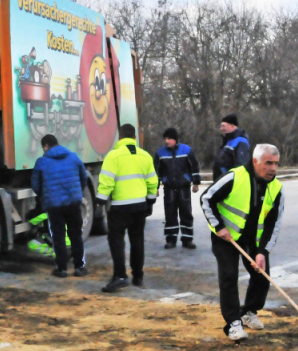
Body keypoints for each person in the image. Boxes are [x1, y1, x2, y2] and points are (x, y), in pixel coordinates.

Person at [200, 144, 285, 341]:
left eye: (276, 164)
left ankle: (249, 311)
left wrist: (263, 252)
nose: (273, 168)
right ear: (255, 162)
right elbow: (206, 199)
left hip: (252, 240)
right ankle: (233, 323)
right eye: (268, 163)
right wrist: (219, 226)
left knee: (262, 275)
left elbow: (274, 224)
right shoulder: (235, 177)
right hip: (225, 237)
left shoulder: (276, 188)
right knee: (229, 276)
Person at [96, 124, 159, 292]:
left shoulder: (113, 156)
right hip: (139, 206)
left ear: (120, 138)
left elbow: (106, 182)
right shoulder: (145, 156)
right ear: (135, 138)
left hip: (119, 208)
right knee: (137, 240)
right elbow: (153, 182)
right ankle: (138, 276)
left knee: (116, 240)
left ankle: (120, 275)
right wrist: (150, 202)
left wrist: (99, 203)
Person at [31, 134, 88, 277]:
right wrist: (76, 192)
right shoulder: (74, 157)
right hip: (73, 203)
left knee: (58, 237)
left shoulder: (42, 162)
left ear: (45, 146)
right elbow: (84, 178)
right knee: (76, 234)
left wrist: (45, 196)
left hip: (54, 205)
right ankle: (79, 267)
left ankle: (62, 269)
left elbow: (35, 185)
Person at [154, 128, 201, 249]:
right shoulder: (160, 153)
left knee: (186, 213)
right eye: (165, 139)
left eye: (169, 138)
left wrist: (196, 183)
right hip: (169, 189)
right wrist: (156, 187)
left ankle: (187, 240)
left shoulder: (186, 150)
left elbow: (194, 167)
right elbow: (156, 171)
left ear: (175, 139)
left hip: (184, 188)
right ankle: (171, 240)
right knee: (170, 214)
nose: (166, 141)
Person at [213, 114, 250, 181]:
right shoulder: (228, 141)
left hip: (230, 183)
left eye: (223, 126)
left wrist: (232, 181)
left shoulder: (241, 141)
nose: (221, 129)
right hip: (222, 182)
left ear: (232, 126)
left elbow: (241, 165)